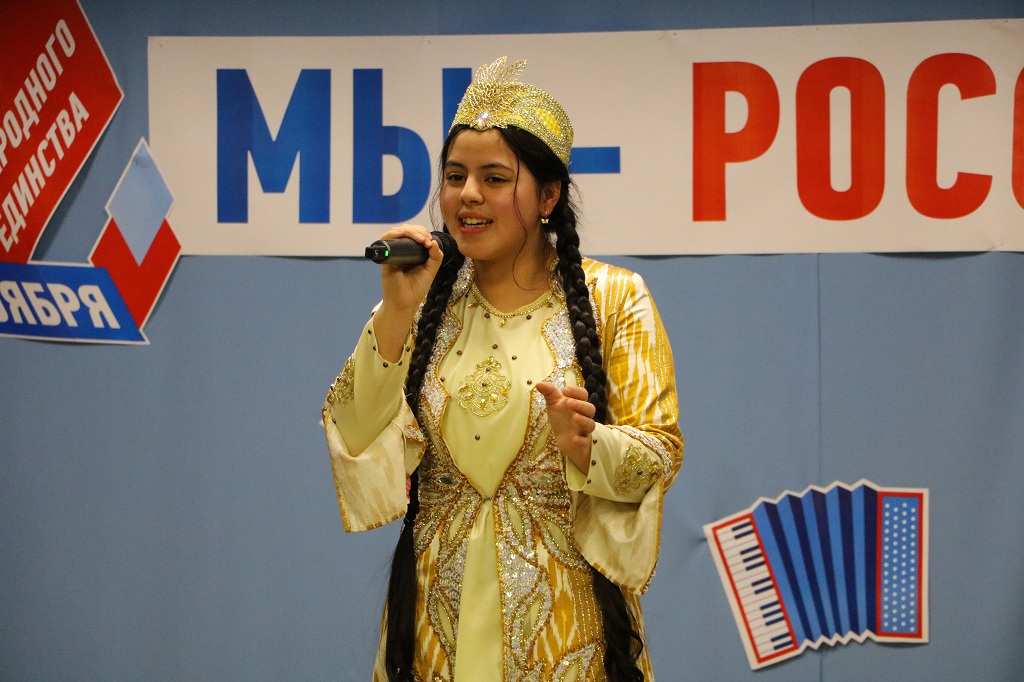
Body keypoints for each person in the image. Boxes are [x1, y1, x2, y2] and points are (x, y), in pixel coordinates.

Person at [322, 56, 683, 682]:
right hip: (435, 623)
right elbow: (352, 431)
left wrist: (588, 445)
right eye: (454, 176)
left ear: (548, 196)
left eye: (494, 178)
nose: (468, 195)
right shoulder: (422, 300)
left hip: (566, 626)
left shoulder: (616, 298)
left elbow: (661, 452)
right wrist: (396, 314)